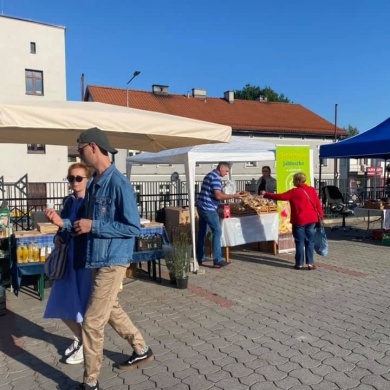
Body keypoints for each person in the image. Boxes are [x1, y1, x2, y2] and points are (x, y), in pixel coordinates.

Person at [73, 127, 153, 390]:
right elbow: (84, 223)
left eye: (81, 149)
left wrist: (93, 226)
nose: (79, 155)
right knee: (110, 310)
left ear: (94, 147)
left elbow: (132, 228)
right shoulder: (96, 181)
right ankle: (141, 348)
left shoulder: (118, 183)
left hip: (112, 260)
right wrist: (64, 225)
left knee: (93, 320)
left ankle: (90, 382)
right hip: (96, 258)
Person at [44, 162, 92, 365]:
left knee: (81, 305)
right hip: (68, 259)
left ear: (87, 179)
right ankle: (81, 339)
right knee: (62, 302)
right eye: (71, 178)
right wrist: (59, 234)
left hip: (83, 260)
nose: (74, 182)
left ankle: (86, 345)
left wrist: (61, 223)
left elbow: (82, 226)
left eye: (79, 178)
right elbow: (64, 226)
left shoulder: (91, 202)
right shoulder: (69, 201)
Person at [260, 172, 323, 270]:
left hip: (299, 220)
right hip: (312, 219)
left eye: (294, 180)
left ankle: (299, 264)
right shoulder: (312, 190)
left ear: (298, 181)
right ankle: (310, 263)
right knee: (310, 241)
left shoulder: (294, 192)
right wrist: (321, 216)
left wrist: (266, 194)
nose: (293, 181)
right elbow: (318, 204)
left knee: (299, 242)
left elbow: (280, 197)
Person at [196, 162, 244, 268]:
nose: (226, 174)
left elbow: (214, 192)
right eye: (226, 171)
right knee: (217, 231)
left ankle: (199, 257)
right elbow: (218, 196)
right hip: (208, 208)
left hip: (201, 206)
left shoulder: (209, 175)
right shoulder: (216, 178)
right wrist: (234, 196)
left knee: (202, 232)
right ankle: (217, 259)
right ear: (221, 168)